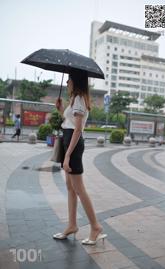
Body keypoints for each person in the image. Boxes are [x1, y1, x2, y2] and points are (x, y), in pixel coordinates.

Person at [53, 70, 107, 245]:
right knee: (70, 187)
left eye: (69, 79)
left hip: (73, 146)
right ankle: (72, 225)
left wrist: (67, 155)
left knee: (79, 188)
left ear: (75, 81)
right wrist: (62, 110)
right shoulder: (76, 99)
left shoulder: (79, 99)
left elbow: (77, 129)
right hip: (69, 142)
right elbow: (70, 122)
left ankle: (96, 226)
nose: (67, 82)